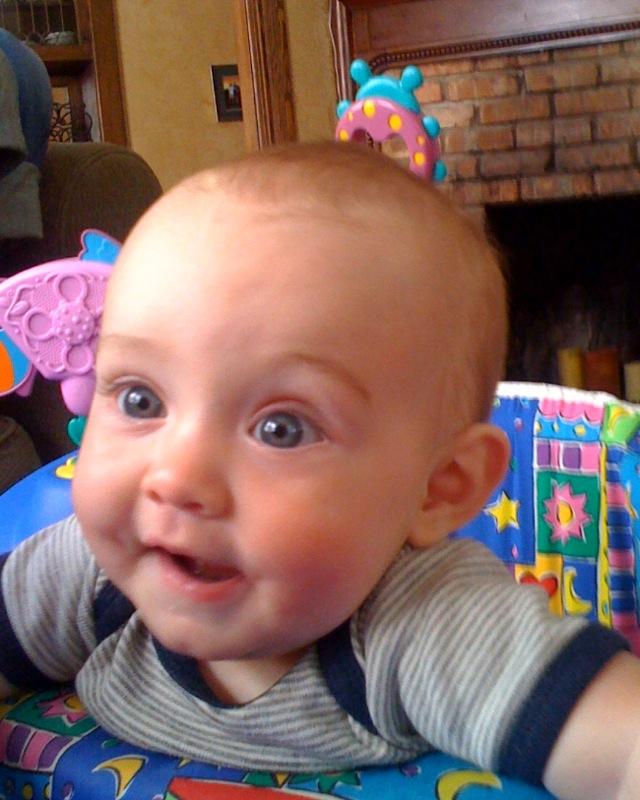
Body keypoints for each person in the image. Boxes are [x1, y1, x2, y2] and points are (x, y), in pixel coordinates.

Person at [1, 142, 640, 800]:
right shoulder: (91, 575)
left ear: (440, 487)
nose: (176, 477)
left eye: (282, 429)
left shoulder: (423, 626)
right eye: (141, 400)